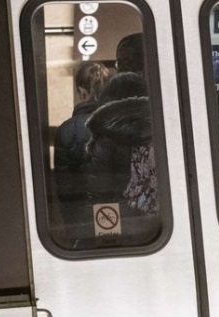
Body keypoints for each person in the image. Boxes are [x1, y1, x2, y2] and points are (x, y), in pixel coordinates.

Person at [85, 72, 156, 217]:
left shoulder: (106, 135)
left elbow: (100, 190)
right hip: (160, 213)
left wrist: (107, 232)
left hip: (120, 216)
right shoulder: (161, 128)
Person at [54, 61, 115, 226]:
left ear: (80, 91)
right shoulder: (122, 122)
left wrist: (72, 220)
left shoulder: (67, 130)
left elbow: (65, 187)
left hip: (82, 217)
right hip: (123, 214)